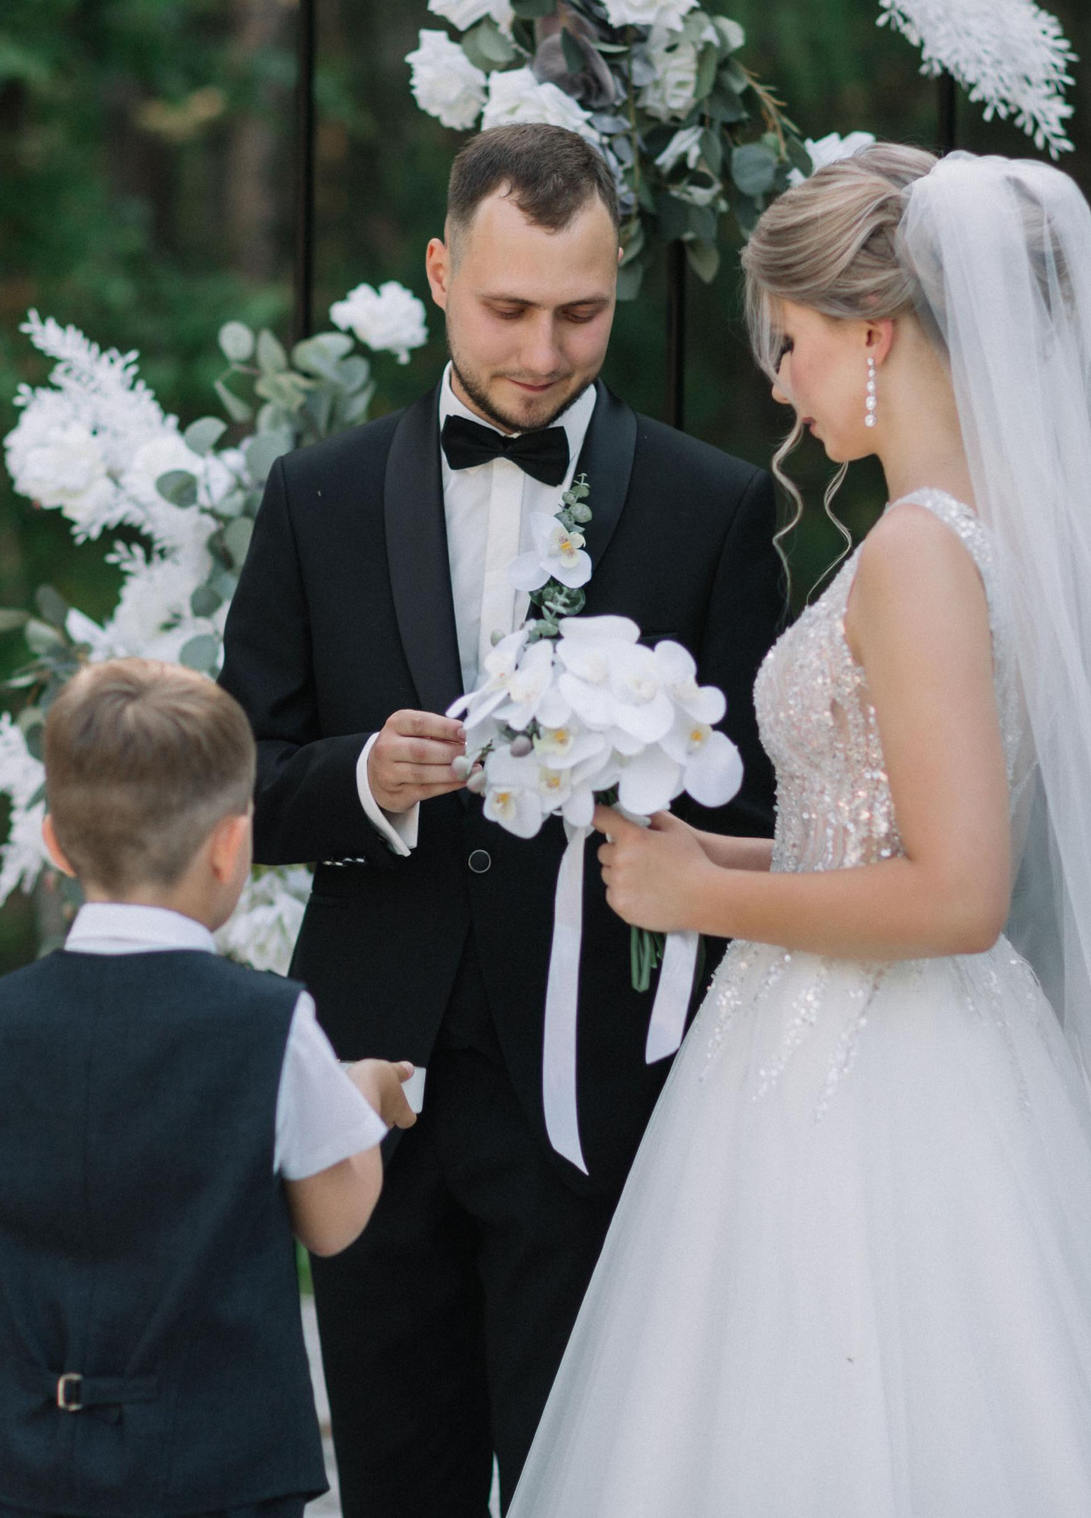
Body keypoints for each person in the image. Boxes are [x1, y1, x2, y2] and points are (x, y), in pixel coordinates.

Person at [509, 148, 1091, 1516]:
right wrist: (704, 855)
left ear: (874, 334)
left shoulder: (917, 551)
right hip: (887, 1039)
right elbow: (874, 836)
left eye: (792, 341)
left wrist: (700, 900)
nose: (780, 381)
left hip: (870, 1073)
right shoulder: (984, 530)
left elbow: (957, 889)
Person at [217, 123, 787, 1515]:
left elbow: (762, 798)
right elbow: (234, 777)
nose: (542, 350)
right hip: (370, 1073)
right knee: (395, 1475)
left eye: (581, 312)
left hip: (599, 1083)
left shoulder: (713, 509)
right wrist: (362, 776)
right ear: (438, 272)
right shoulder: (318, 495)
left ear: (623, 286)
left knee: (584, 1472)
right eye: (509, 309)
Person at [0, 657, 417, 1518]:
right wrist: (365, 1097)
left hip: (22, 1465)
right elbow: (334, 1219)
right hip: (213, 1475)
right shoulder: (266, 1025)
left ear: (54, 843)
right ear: (232, 844)